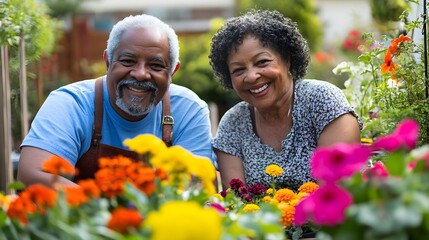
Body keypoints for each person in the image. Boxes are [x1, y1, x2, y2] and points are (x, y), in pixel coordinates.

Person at [18, 14, 215, 187]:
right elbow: (34, 173)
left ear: (173, 71)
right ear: (107, 62)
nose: (140, 74)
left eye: (156, 65)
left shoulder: (189, 110)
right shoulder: (71, 103)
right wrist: (109, 217)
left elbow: (197, 187)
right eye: (128, 61)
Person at [209, 9, 362, 191]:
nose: (251, 76)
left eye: (262, 62)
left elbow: (335, 195)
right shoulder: (233, 124)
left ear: (287, 60)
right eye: (238, 70)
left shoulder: (323, 101)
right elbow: (236, 204)